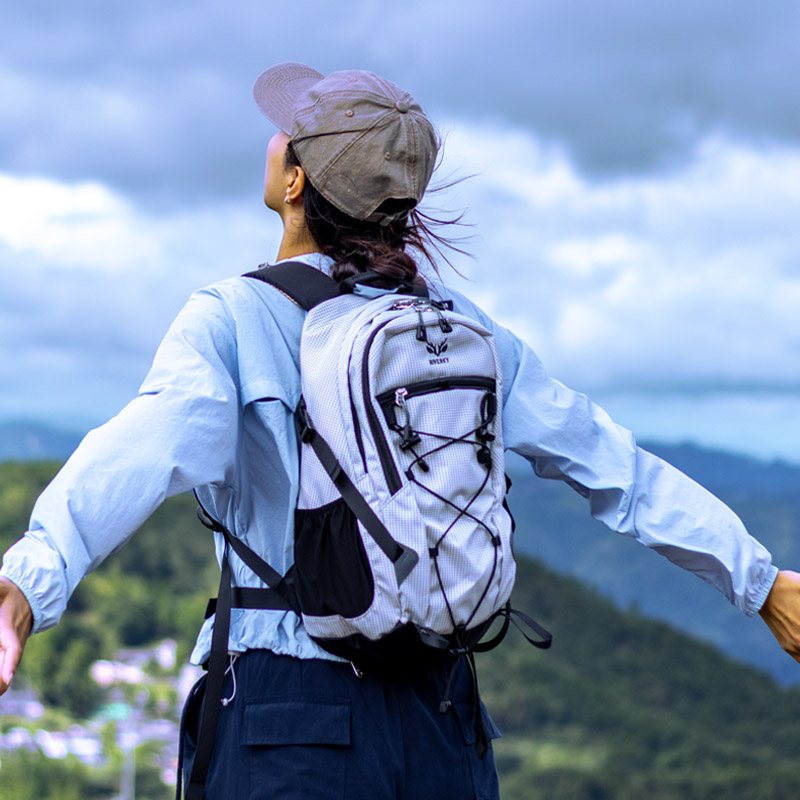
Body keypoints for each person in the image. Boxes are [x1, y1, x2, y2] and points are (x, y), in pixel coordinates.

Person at [1, 61, 799, 800]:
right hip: (441, 716)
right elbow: (613, 465)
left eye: (287, 136)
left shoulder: (234, 320)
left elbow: (134, 455)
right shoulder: (459, 331)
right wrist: (760, 584)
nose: (272, 139)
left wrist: (30, 584)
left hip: (292, 721)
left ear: (295, 182)